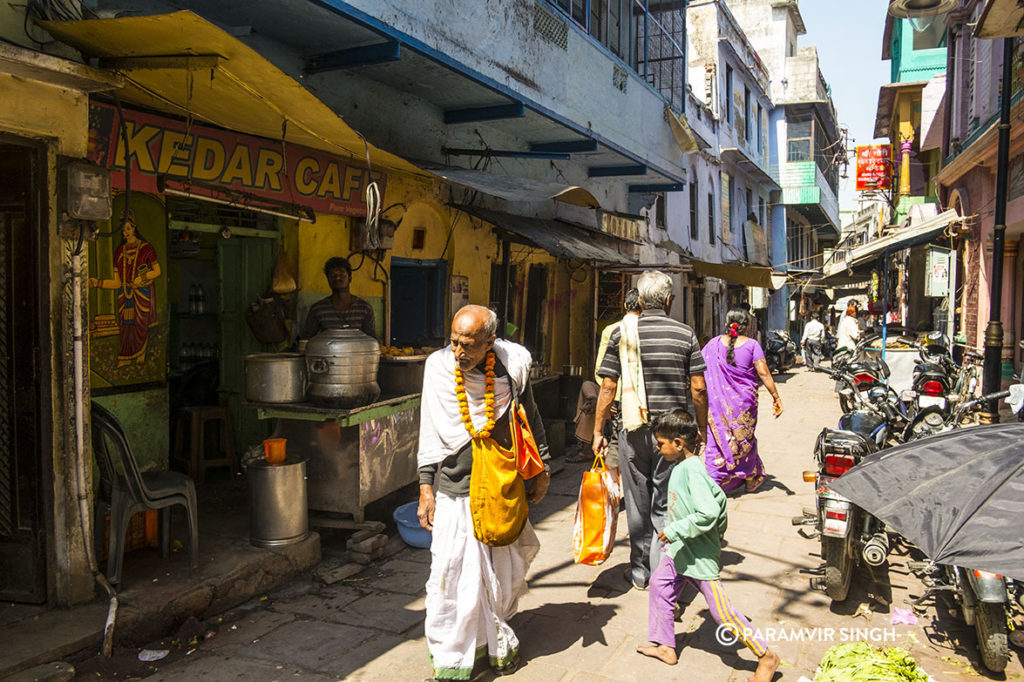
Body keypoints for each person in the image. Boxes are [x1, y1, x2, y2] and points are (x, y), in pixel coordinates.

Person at [416, 304, 551, 680]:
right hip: (455, 487)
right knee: (450, 570)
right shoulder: (438, 368)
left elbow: (530, 417)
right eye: (454, 343)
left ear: (490, 342)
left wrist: (544, 469)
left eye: (468, 346)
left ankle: (492, 643)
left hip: (502, 484)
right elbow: (429, 432)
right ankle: (452, 656)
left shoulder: (512, 365)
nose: (458, 353)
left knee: (497, 572)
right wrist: (426, 488)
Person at [637, 409, 781, 682]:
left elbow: (709, 512)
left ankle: (766, 656)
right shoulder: (683, 467)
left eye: (661, 444)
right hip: (679, 550)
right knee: (659, 585)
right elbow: (721, 503)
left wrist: (678, 530)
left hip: (697, 555)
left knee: (722, 612)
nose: (658, 449)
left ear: (678, 443)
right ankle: (666, 646)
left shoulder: (692, 471)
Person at [593, 271, 708, 590]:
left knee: (638, 500)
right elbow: (698, 387)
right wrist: (700, 428)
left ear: (640, 301)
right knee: (666, 502)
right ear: (669, 301)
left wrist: (598, 431)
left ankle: (641, 571)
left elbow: (607, 386)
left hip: (632, 428)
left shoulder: (621, 334)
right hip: (672, 434)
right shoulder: (685, 334)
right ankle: (664, 571)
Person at [701, 307, 783, 494]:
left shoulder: (713, 345)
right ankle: (749, 480)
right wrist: (776, 397)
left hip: (718, 405)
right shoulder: (752, 345)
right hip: (744, 405)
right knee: (745, 439)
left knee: (717, 438)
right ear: (747, 326)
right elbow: (763, 373)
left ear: (726, 324)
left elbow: (699, 365)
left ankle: (715, 480)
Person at [574, 288, 642, 467]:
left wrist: (611, 400)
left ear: (625, 305)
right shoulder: (651, 329)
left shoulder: (612, 330)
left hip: (617, 400)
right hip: (640, 401)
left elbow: (602, 372)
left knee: (618, 444)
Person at [89, 209, 162, 368]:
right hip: (124, 294)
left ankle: (140, 354)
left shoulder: (145, 248)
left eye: (128, 228)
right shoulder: (119, 252)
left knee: (139, 325)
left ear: (134, 228)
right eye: (123, 230)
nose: (125, 232)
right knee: (125, 327)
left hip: (141, 292)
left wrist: (140, 278)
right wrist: (98, 283)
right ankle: (126, 357)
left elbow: (157, 271)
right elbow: (117, 283)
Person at [299, 256, 376, 339]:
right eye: (333, 275)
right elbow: (306, 340)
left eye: (342, 275)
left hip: (358, 352)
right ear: (328, 280)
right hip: (328, 351)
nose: (337, 278)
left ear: (350, 278)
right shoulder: (318, 309)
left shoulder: (364, 308)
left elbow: (371, 341)